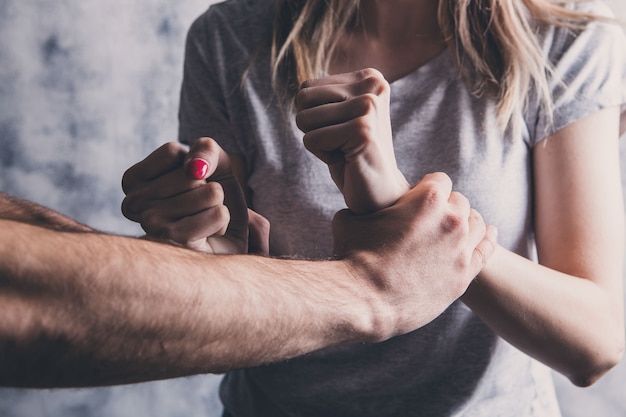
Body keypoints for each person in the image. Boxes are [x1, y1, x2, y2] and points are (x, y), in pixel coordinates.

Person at [122, 0, 626, 416]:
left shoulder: (563, 43)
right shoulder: (228, 37)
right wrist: (202, 256)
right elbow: (219, 303)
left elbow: (595, 345)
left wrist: (405, 208)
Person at [0, 140, 495, 388]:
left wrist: (218, 287)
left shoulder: (553, 41)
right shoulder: (229, 35)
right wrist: (370, 291)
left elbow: (579, 344)